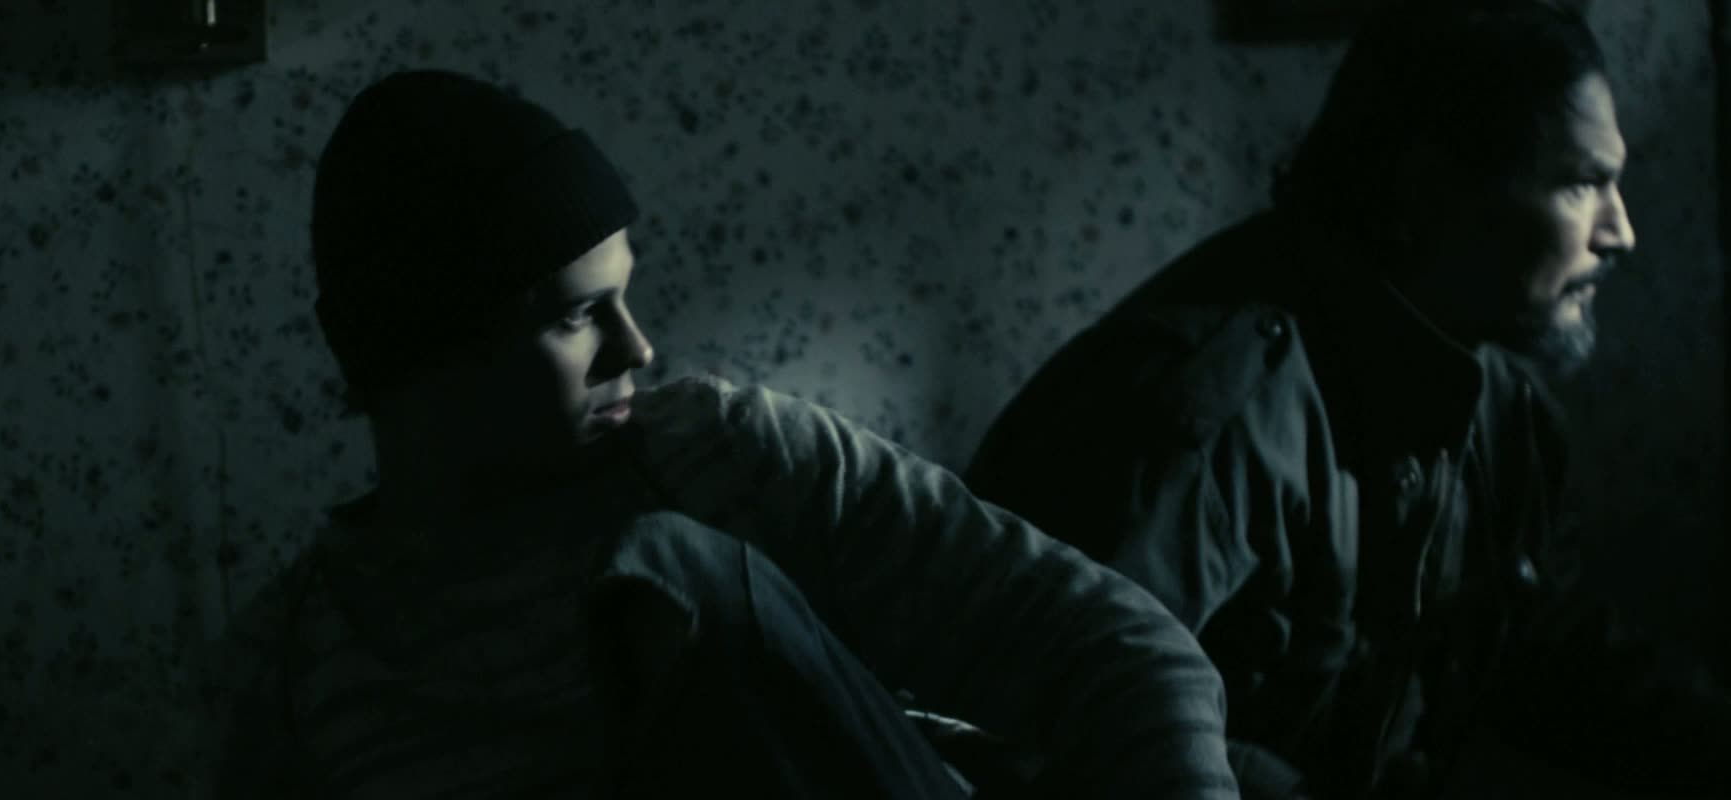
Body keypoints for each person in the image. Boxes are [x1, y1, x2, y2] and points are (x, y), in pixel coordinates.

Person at [200, 69, 1240, 799]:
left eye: (623, 298)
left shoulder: (721, 459)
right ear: (433, 360)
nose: (636, 347)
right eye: (578, 316)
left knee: (669, 571)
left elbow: (1127, 653)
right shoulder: (297, 657)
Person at [965, 1, 1731, 798]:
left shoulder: (1502, 407)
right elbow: (1052, 732)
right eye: (1581, 184)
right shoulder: (1202, 417)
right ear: (1427, 190)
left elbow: (1532, 644)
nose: (1621, 232)